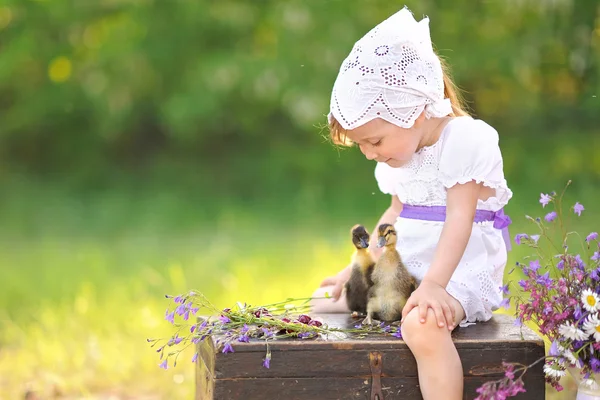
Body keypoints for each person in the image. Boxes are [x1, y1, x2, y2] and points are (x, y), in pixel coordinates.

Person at [311, 7, 513, 399]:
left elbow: (460, 219)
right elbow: (393, 217)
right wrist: (355, 270)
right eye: (363, 145)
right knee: (323, 301)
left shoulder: (464, 141)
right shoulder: (402, 157)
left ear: (414, 109)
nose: (369, 153)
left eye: (375, 141)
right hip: (406, 269)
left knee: (422, 325)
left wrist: (435, 285)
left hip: (454, 274)